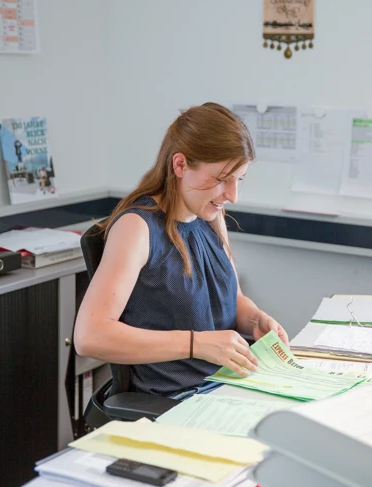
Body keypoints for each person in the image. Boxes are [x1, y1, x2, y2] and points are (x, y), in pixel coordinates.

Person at [74, 102, 289, 399]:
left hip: (228, 387)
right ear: (180, 165)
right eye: (222, 179)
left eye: (238, 180)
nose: (233, 196)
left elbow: (230, 298)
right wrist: (197, 344)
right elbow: (89, 336)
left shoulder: (210, 216)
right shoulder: (137, 228)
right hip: (176, 399)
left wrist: (254, 319)